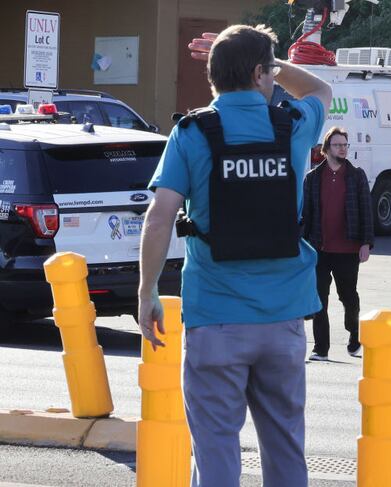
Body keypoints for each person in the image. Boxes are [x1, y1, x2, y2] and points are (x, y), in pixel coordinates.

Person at [137, 25, 332, 486]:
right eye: (266, 70)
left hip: (215, 315)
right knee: (285, 446)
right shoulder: (293, 125)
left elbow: (159, 217)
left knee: (216, 445)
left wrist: (147, 292)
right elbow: (321, 87)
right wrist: (272, 65)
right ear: (261, 74)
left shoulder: (190, 132)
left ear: (214, 76)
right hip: (283, 317)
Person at [303, 126, 373, 361]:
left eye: (345, 145)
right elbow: (307, 214)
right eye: (337, 145)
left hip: (348, 248)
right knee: (319, 299)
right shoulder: (312, 178)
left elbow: (366, 210)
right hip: (319, 248)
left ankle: (354, 335)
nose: (342, 149)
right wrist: (303, 245)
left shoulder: (356, 175)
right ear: (325, 149)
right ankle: (320, 348)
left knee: (348, 297)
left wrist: (366, 243)